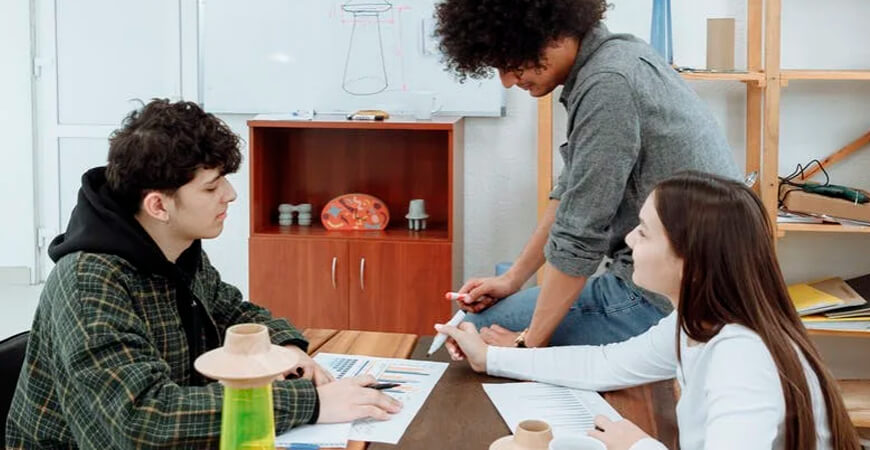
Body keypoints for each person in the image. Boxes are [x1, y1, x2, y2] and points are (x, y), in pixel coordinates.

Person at [6, 99, 401, 449]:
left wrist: (288, 350)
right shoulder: (90, 281)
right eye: (211, 188)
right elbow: (141, 420)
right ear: (159, 206)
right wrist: (311, 404)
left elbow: (231, 312)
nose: (230, 195)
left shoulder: (174, 244)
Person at [436, 171, 861, 449]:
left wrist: (637, 445)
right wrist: (490, 357)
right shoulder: (694, 323)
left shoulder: (741, 356)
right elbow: (604, 364)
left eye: (643, 231)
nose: (629, 241)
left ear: (689, 260)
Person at [433, 0, 740, 348]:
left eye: (511, 62)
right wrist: (514, 278)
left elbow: (579, 233)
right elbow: (572, 191)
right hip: (691, 284)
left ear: (555, 34)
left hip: (668, 298)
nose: (506, 81)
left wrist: (525, 347)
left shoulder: (608, 85)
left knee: (474, 331)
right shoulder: (619, 56)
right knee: (481, 329)